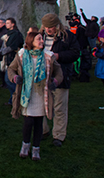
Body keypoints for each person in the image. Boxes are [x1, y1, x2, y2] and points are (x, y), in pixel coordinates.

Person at [8, 31, 63, 161]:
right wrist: (15, 77)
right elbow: (11, 69)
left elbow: (59, 71)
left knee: (38, 123)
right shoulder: (22, 55)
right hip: (27, 94)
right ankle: (25, 146)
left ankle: (36, 149)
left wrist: (55, 81)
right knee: (28, 122)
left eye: (42, 39)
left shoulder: (48, 56)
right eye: (38, 39)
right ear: (31, 41)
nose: (42, 41)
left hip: (42, 93)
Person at [40, 13, 80, 147]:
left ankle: (58, 135)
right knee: (41, 106)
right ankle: (43, 130)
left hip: (60, 76)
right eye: (46, 27)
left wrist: (58, 56)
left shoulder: (67, 37)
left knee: (59, 107)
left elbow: (75, 53)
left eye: (51, 27)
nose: (48, 29)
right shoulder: (40, 36)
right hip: (42, 77)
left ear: (57, 25)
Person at [0, 18, 24, 105]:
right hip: (8, 59)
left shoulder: (16, 34)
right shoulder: (9, 34)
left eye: (8, 23)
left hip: (13, 60)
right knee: (9, 80)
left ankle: (18, 97)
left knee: (9, 80)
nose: (6, 24)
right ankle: (13, 100)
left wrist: (2, 51)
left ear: (13, 24)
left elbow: (13, 47)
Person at [0, 19, 8, 88]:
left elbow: (2, 41)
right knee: (0, 67)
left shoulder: (5, 31)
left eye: (0, 23)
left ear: (4, 24)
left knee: (4, 68)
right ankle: (3, 82)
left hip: (3, 51)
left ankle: (5, 83)